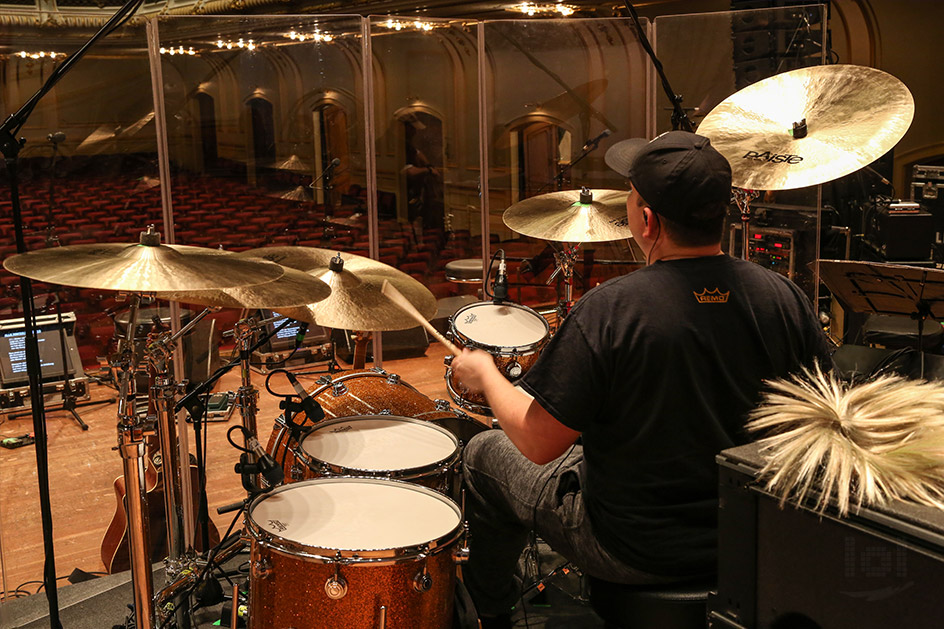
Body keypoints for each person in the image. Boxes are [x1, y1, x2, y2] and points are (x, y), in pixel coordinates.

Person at [450, 130, 831, 628]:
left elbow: (538, 442)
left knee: (483, 455)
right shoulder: (781, 296)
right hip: (752, 539)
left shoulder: (612, 309)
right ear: (723, 209)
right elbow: (826, 414)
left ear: (646, 220)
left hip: (634, 550)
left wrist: (485, 374)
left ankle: (490, 614)